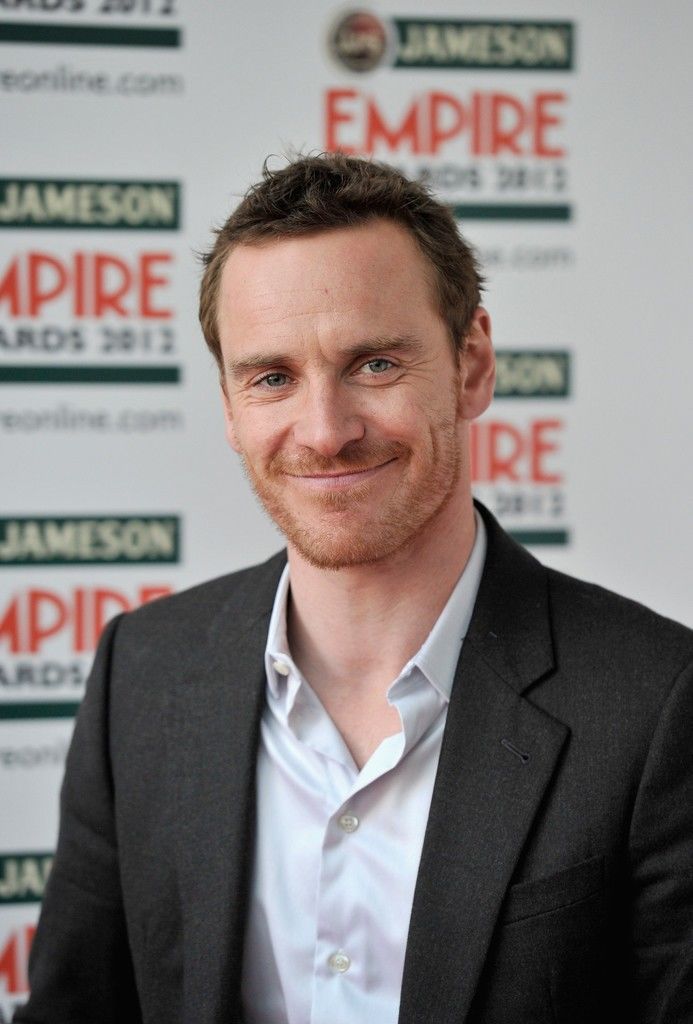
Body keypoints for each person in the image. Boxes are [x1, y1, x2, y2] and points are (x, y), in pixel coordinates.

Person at [16, 154, 693, 1024]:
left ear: (472, 365)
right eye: (272, 377)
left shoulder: (655, 701)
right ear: (229, 406)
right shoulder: (141, 672)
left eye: (374, 364)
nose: (324, 432)